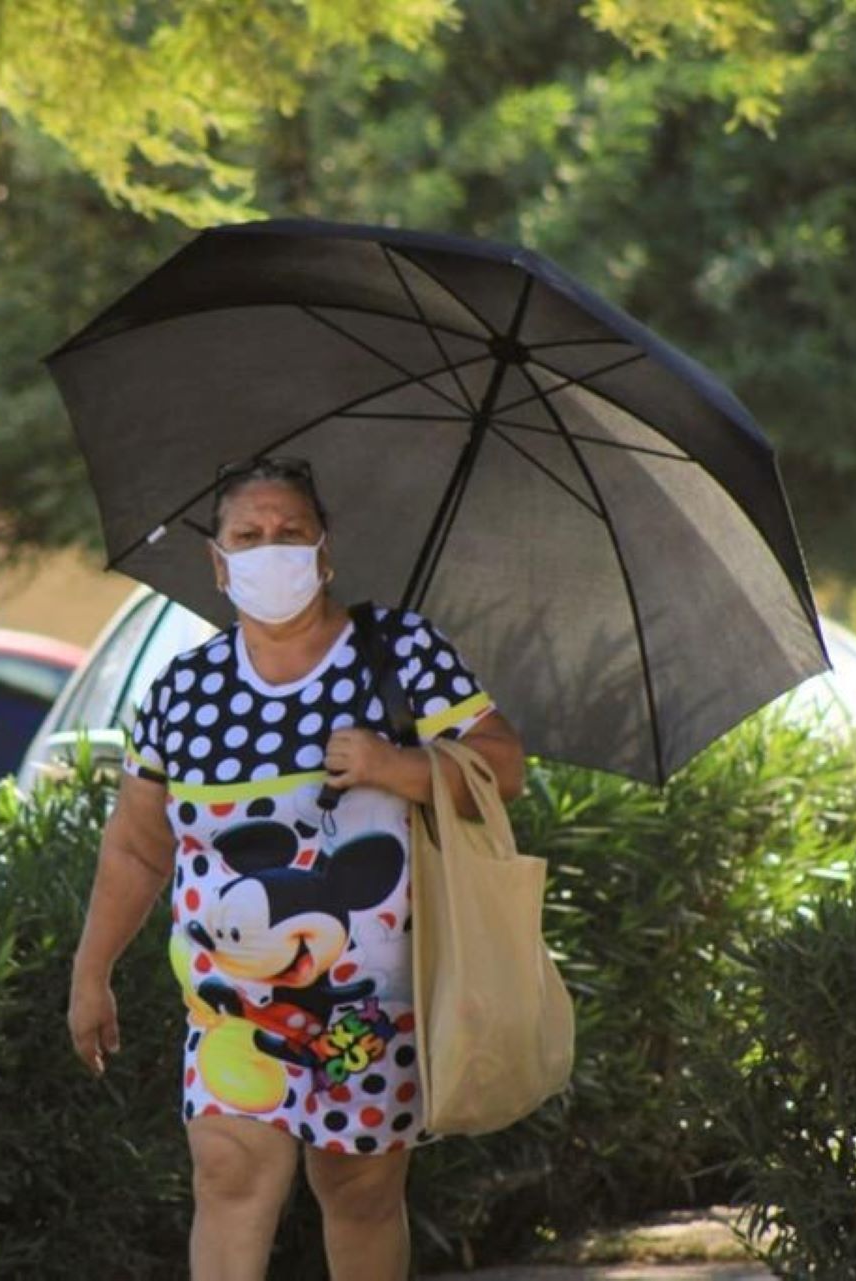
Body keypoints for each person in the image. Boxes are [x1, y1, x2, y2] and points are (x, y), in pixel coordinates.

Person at [67, 456, 525, 1280]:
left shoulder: (401, 652)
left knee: (357, 1190)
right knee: (230, 1173)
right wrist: (89, 970)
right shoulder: (185, 689)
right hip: (230, 1001)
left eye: (291, 532)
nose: (270, 550)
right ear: (217, 560)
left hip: (375, 1004)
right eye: (249, 536)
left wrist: (400, 766)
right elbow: (138, 845)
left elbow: (504, 766)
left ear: (325, 551)